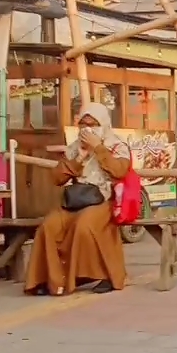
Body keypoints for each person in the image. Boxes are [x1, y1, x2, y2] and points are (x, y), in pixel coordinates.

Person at [24, 103, 131, 296]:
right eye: (83, 124)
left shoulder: (116, 145)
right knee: (49, 226)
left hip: (104, 200)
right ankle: (50, 279)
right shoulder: (74, 148)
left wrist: (98, 148)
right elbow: (57, 178)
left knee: (85, 225)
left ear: (104, 125)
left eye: (93, 124)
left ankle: (102, 275)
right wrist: (79, 158)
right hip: (76, 200)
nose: (87, 129)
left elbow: (120, 171)